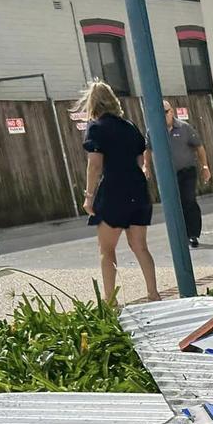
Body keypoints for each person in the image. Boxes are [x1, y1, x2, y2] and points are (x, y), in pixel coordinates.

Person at [72, 81, 159, 303]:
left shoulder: (97, 127)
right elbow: (142, 160)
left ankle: (110, 301)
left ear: (93, 104)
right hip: (137, 189)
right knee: (140, 247)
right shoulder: (129, 126)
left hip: (113, 191)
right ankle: (153, 293)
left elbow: (95, 165)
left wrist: (88, 196)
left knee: (107, 250)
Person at [144, 101, 210, 247]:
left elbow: (199, 147)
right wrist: (146, 166)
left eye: (166, 112)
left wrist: (205, 166)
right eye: (160, 114)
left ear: (171, 112)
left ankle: (193, 234)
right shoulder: (153, 131)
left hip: (187, 171)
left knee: (188, 200)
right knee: (173, 204)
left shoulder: (184, 128)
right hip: (167, 175)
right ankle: (180, 235)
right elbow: (148, 149)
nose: (163, 116)